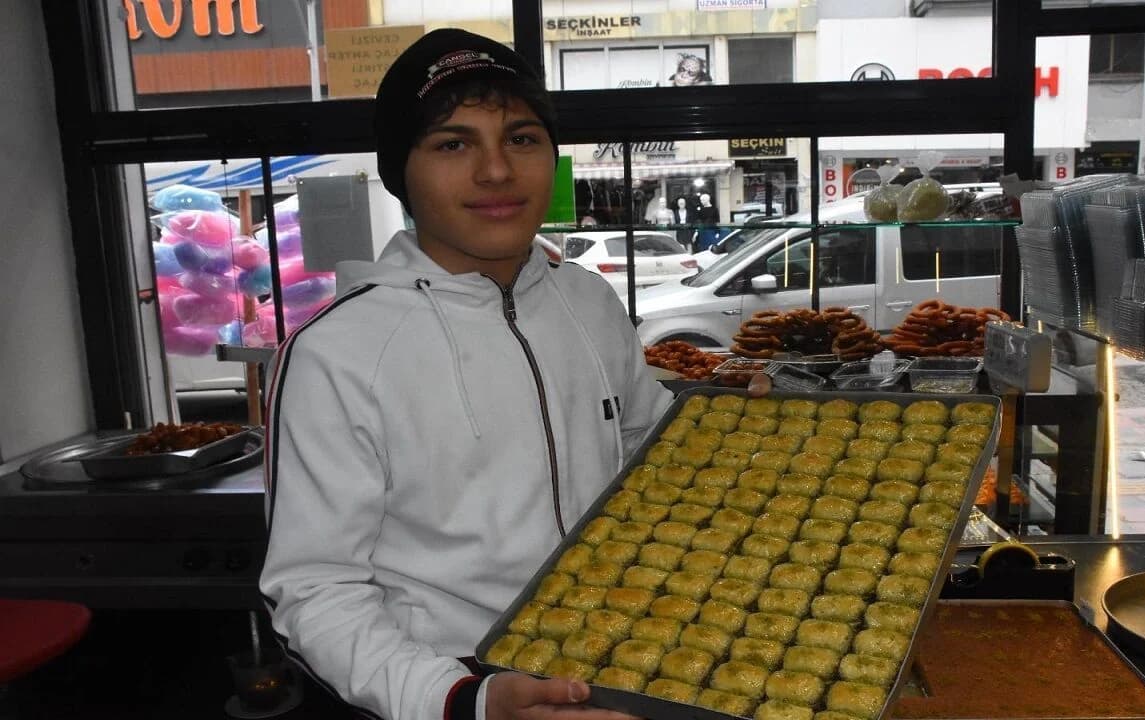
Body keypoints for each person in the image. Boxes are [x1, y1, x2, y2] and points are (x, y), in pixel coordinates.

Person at [259, 28, 767, 720]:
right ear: (400, 170)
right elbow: (315, 589)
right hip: (455, 682)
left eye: (522, 139)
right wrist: (464, 699)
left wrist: (731, 418)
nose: (497, 172)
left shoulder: (585, 298)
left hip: (621, 659)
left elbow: (648, 440)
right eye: (452, 144)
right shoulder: (339, 353)